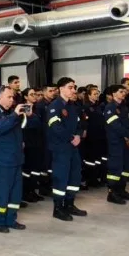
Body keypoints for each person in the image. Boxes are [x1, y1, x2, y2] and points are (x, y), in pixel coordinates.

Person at [0, 85, 26, 232]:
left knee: (15, 193)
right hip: (2, 161)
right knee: (1, 193)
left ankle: (11, 219)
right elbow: (0, 128)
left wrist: (26, 115)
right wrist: (15, 115)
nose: (11, 100)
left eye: (13, 97)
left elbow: (27, 126)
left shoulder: (12, 113)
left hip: (16, 159)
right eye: (9, 97)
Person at [47, 77, 87, 220]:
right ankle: (58, 208)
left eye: (74, 87)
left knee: (74, 175)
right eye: (70, 87)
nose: (73, 90)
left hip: (73, 147)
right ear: (61, 89)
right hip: (61, 148)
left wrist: (78, 136)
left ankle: (69, 204)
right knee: (61, 177)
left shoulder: (72, 106)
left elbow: (79, 124)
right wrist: (71, 138)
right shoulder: (54, 106)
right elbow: (55, 126)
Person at [102, 85, 129, 205]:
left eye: (124, 92)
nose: (124, 93)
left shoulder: (124, 107)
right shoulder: (110, 108)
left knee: (126, 167)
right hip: (116, 142)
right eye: (121, 91)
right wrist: (127, 134)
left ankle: (121, 190)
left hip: (126, 141)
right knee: (115, 167)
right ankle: (112, 193)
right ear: (114, 94)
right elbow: (115, 125)